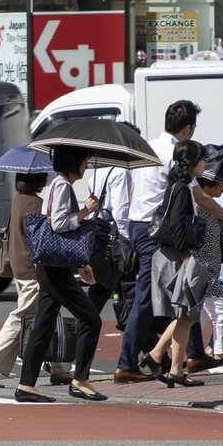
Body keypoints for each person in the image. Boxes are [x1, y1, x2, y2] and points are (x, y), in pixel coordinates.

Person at [120, 100, 223, 383]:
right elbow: (201, 198)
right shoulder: (177, 154)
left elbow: (133, 189)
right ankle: (128, 363)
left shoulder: (146, 146)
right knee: (149, 298)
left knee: (188, 291)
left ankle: (191, 353)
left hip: (139, 224)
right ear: (187, 129)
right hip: (160, 230)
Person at [16, 145, 105, 403]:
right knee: (91, 319)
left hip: (51, 265)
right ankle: (80, 380)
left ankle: (26, 385)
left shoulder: (57, 185)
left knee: (43, 326)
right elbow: (59, 224)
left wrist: (79, 264)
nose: (87, 165)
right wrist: (86, 212)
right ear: (74, 161)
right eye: (85, 160)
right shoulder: (63, 186)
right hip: (55, 270)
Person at [0, 171, 74, 388]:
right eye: (43, 176)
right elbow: (43, 239)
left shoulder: (18, 199)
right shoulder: (35, 204)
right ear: (35, 180)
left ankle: (60, 368)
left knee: (49, 314)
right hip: (33, 269)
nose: (46, 179)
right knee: (23, 316)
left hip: (20, 266)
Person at [137, 140, 209, 388]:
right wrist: (187, 256)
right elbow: (178, 224)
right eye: (201, 159)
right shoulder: (181, 188)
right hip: (175, 256)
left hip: (169, 255)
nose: (204, 164)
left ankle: (165, 362)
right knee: (186, 313)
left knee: (185, 314)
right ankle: (164, 361)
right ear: (191, 163)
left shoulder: (179, 186)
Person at [87, 121, 135, 314]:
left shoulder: (96, 173)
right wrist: (128, 246)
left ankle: (83, 327)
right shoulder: (121, 172)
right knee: (127, 291)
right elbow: (121, 212)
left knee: (101, 287)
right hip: (115, 238)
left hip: (99, 237)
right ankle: (142, 339)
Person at [192, 166, 223, 364]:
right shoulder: (201, 206)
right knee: (222, 312)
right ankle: (219, 356)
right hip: (204, 270)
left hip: (204, 269)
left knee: (196, 317)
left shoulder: (205, 207)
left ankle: (188, 355)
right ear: (207, 184)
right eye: (220, 181)